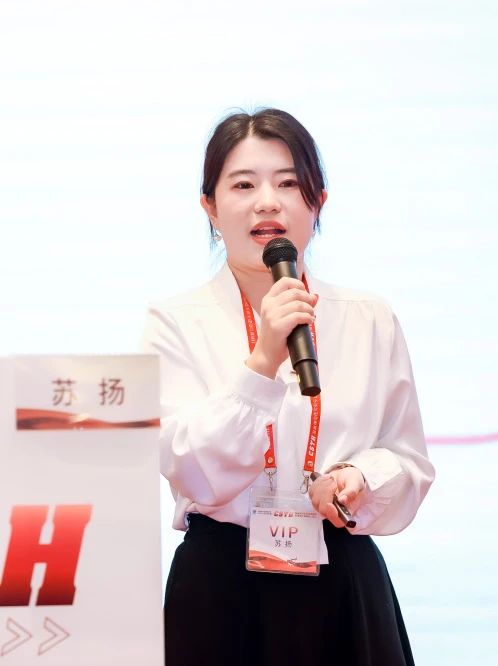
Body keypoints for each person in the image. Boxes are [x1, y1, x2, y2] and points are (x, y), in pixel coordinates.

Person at [141, 108, 435, 666]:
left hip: (342, 581)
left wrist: (360, 479)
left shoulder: (368, 317)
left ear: (317, 202)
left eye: (288, 184)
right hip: (219, 588)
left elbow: (409, 460)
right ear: (209, 207)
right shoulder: (174, 322)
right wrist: (262, 361)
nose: (267, 203)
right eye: (243, 185)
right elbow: (190, 468)